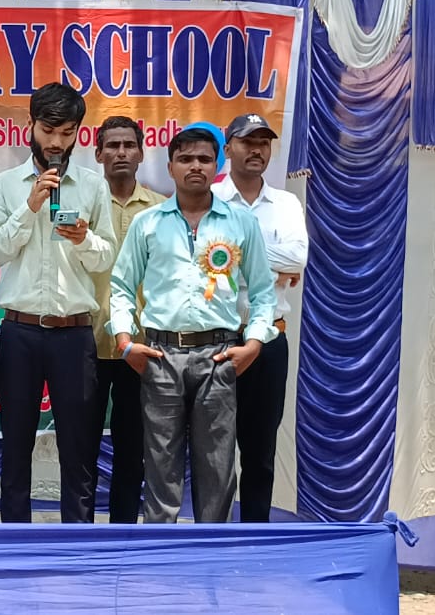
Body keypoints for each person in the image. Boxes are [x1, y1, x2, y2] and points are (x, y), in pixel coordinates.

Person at [109, 123, 276, 524]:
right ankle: (162, 552)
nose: (195, 166)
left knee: (217, 466)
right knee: (160, 464)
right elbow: (121, 287)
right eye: (185, 159)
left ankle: (212, 551)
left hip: (220, 355)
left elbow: (263, 292)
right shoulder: (147, 223)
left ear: (217, 165)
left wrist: (253, 344)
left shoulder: (240, 223)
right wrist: (125, 342)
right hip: (160, 355)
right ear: (170, 167)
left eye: (204, 158)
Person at [0, 83, 114, 524]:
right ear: (31, 125)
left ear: (78, 132)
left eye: (67, 132)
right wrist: (30, 206)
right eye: (48, 130)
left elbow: (106, 257)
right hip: (19, 330)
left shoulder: (92, 185)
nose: (56, 142)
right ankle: (15, 542)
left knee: (78, 446)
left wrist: (83, 239)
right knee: (15, 443)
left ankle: (77, 542)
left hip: (73, 334)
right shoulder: (7, 184)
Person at [211, 113, 308, 523]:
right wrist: (270, 264)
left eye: (264, 143)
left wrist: (234, 253)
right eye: (247, 142)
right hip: (214, 339)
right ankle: (212, 539)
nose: (257, 150)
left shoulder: (285, 204)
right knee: (212, 451)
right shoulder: (208, 198)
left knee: (260, 451)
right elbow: (196, 261)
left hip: (268, 340)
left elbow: (297, 259)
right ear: (228, 148)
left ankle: (255, 538)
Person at [89, 116, 165, 523]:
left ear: (140, 153)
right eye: (112, 146)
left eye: (128, 145)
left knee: (133, 446)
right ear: (98, 153)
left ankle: (123, 531)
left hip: (141, 345)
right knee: (80, 446)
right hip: (86, 342)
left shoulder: (161, 209)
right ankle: (79, 535)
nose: (121, 152)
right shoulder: (84, 203)